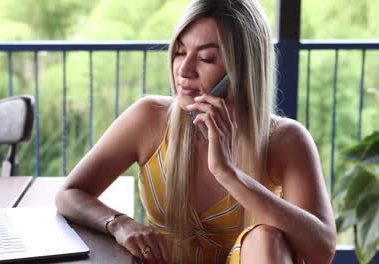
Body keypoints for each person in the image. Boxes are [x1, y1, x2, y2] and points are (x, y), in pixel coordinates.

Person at [55, 0, 337, 263]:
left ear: (243, 70)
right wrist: (119, 223)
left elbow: (322, 249)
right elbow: (70, 193)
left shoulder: (285, 139)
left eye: (206, 59)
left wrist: (229, 173)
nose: (184, 70)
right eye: (179, 52)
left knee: (265, 237)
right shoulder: (149, 118)